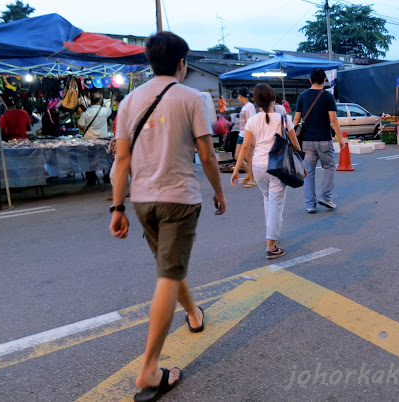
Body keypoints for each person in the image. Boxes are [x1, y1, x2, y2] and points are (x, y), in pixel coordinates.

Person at [110, 31, 226, 402]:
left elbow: (121, 160)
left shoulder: (129, 101)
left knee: (169, 267)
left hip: (143, 202)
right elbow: (207, 156)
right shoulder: (193, 98)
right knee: (168, 273)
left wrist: (117, 207)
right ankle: (149, 368)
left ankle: (193, 313)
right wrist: (220, 193)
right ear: (182, 63)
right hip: (179, 200)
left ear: (148, 62)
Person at [231, 84, 303, 259]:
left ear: (257, 101)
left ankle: (271, 235)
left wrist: (236, 169)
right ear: (273, 99)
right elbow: (295, 143)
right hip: (277, 166)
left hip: (258, 166)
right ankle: (271, 246)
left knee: (267, 199)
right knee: (276, 205)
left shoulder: (252, 120)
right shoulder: (284, 118)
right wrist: (301, 163)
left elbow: (246, 146)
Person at [293, 68, 346, 214]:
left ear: (310, 80)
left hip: (307, 141)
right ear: (324, 81)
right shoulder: (328, 97)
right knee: (329, 167)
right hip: (323, 139)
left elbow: (296, 120)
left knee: (309, 173)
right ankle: (325, 197)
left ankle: (310, 205)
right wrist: (340, 138)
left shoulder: (302, 96)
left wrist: (292, 137)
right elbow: (333, 119)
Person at [233, 87, 257, 188]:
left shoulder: (250, 106)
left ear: (241, 96)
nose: (238, 97)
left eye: (238, 96)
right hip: (241, 134)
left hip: (248, 134)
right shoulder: (245, 106)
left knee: (248, 158)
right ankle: (249, 175)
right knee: (237, 156)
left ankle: (252, 179)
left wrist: (252, 138)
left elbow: (252, 121)